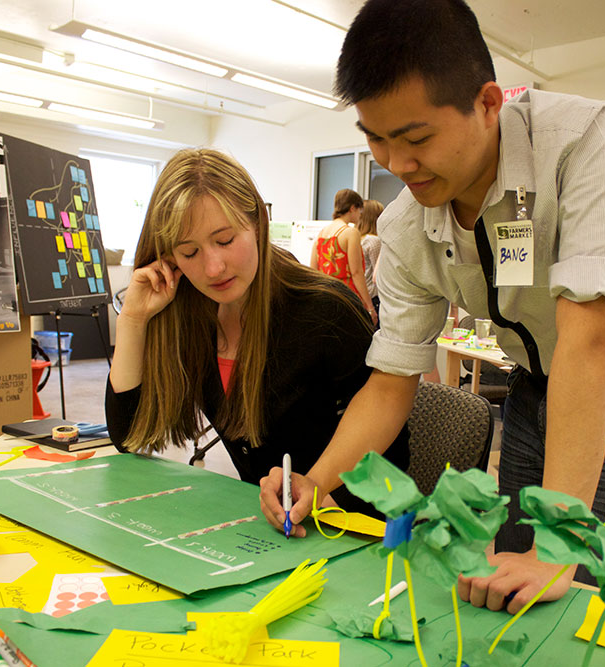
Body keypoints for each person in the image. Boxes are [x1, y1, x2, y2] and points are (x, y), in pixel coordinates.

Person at [260, 0, 605, 614]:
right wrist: (317, 479)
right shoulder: (405, 227)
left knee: (584, 595)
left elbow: (589, 342)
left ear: (489, 104)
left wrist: (559, 547)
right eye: (377, 141)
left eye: (417, 138)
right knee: (509, 587)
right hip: (538, 383)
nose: (397, 165)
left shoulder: (582, 141)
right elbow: (392, 381)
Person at [106, 148, 408, 523]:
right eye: (189, 251)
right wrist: (132, 321)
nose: (214, 267)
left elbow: (391, 449)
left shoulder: (325, 310)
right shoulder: (188, 313)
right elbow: (128, 436)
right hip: (264, 528)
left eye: (226, 239)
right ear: (170, 256)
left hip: (347, 527)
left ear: (258, 222)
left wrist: (325, 491)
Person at [311, 189, 377, 324]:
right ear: (352, 208)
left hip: (326, 296)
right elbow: (357, 272)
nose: (360, 216)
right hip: (348, 298)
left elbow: (313, 269)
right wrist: (370, 307)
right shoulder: (350, 233)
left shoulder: (321, 233)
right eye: (360, 211)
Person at [358, 199, 384, 321]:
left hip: (360, 295)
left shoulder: (357, 239)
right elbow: (378, 275)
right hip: (372, 299)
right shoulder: (373, 241)